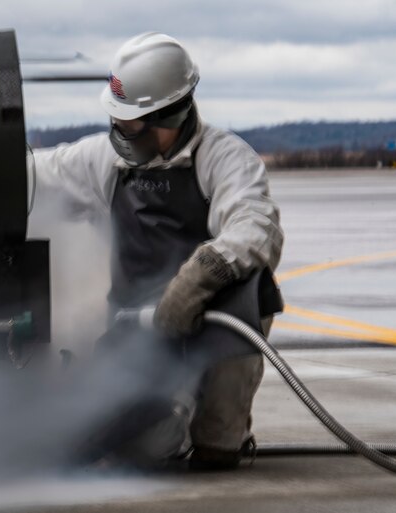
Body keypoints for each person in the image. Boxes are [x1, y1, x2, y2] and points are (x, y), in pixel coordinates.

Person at [31, 32, 284, 470]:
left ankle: (220, 431)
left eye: (129, 124)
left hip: (207, 325)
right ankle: (167, 419)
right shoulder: (105, 161)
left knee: (216, 452)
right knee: (140, 449)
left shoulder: (224, 159)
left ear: (170, 115)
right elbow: (37, 176)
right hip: (138, 334)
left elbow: (255, 228)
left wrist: (196, 280)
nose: (119, 132)